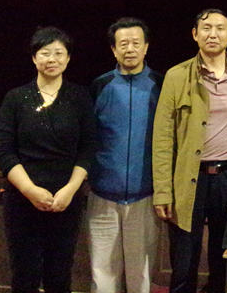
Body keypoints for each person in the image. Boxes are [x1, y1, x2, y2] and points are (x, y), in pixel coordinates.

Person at [152, 8, 227, 293]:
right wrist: (163, 191)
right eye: (206, 28)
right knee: (184, 258)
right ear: (195, 34)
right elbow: (163, 137)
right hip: (189, 178)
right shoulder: (177, 75)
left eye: (220, 28)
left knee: (225, 256)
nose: (213, 34)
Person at [0, 26, 97, 293]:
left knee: (59, 272)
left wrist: (70, 190)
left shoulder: (80, 97)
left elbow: (88, 149)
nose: (52, 59)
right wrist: (30, 190)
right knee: (24, 272)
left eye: (59, 53)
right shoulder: (16, 98)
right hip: (22, 198)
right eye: (45, 53)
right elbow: (3, 150)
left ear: (68, 58)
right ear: (34, 58)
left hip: (66, 199)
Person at [88, 17, 163, 293]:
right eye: (123, 44)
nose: (130, 49)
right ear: (113, 49)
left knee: (141, 278)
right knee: (103, 277)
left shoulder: (161, 84)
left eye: (135, 43)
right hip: (103, 196)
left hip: (146, 196)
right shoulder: (100, 85)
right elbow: (88, 137)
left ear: (146, 47)